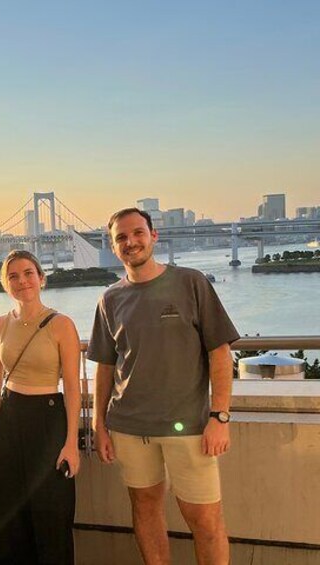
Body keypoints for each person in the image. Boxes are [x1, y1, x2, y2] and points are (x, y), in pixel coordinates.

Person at [87, 208, 239, 565]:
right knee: (145, 510)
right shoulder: (109, 299)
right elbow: (105, 367)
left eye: (137, 233)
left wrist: (220, 416)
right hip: (129, 427)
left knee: (205, 519)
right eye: (121, 237)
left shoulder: (191, 282)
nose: (131, 242)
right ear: (113, 246)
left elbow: (220, 352)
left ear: (154, 236)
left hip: (190, 427)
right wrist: (99, 425)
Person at [0, 250, 81, 565]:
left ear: (41, 278)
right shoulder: (0, 324)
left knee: (52, 512)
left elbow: (73, 386)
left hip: (48, 418)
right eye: (13, 276)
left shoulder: (61, 324)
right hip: (9, 418)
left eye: (28, 273)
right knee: (10, 513)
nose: (22, 281)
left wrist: (71, 443)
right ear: (5, 284)